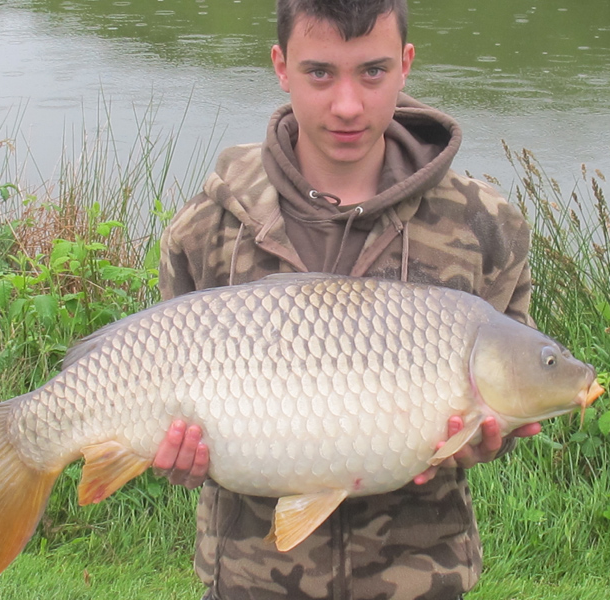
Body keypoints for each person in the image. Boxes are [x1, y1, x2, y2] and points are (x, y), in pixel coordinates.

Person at [152, 1, 540, 598]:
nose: (348, 105)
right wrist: (176, 456)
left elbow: (506, 380)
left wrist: (496, 435)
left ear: (407, 64)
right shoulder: (205, 230)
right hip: (250, 581)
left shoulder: (487, 226)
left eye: (373, 72)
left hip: (419, 579)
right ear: (280, 66)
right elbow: (178, 419)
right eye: (320, 73)